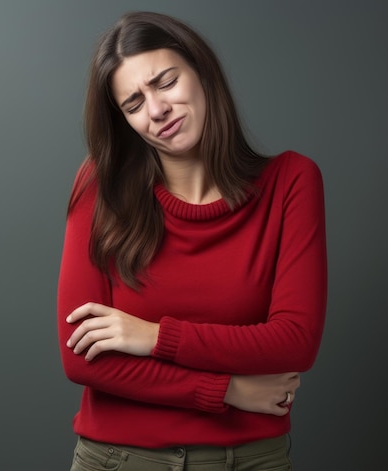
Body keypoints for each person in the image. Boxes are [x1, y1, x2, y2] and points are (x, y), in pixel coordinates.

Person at [56, 10, 327, 471]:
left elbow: (294, 342)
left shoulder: (291, 181)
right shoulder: (101, 187)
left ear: (201, 71)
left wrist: (154, 337)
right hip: (120, 460)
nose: (156, 110)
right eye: (133, 104)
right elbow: (82, 359)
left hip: (250, 460)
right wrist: (227, 390)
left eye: (165, 81)